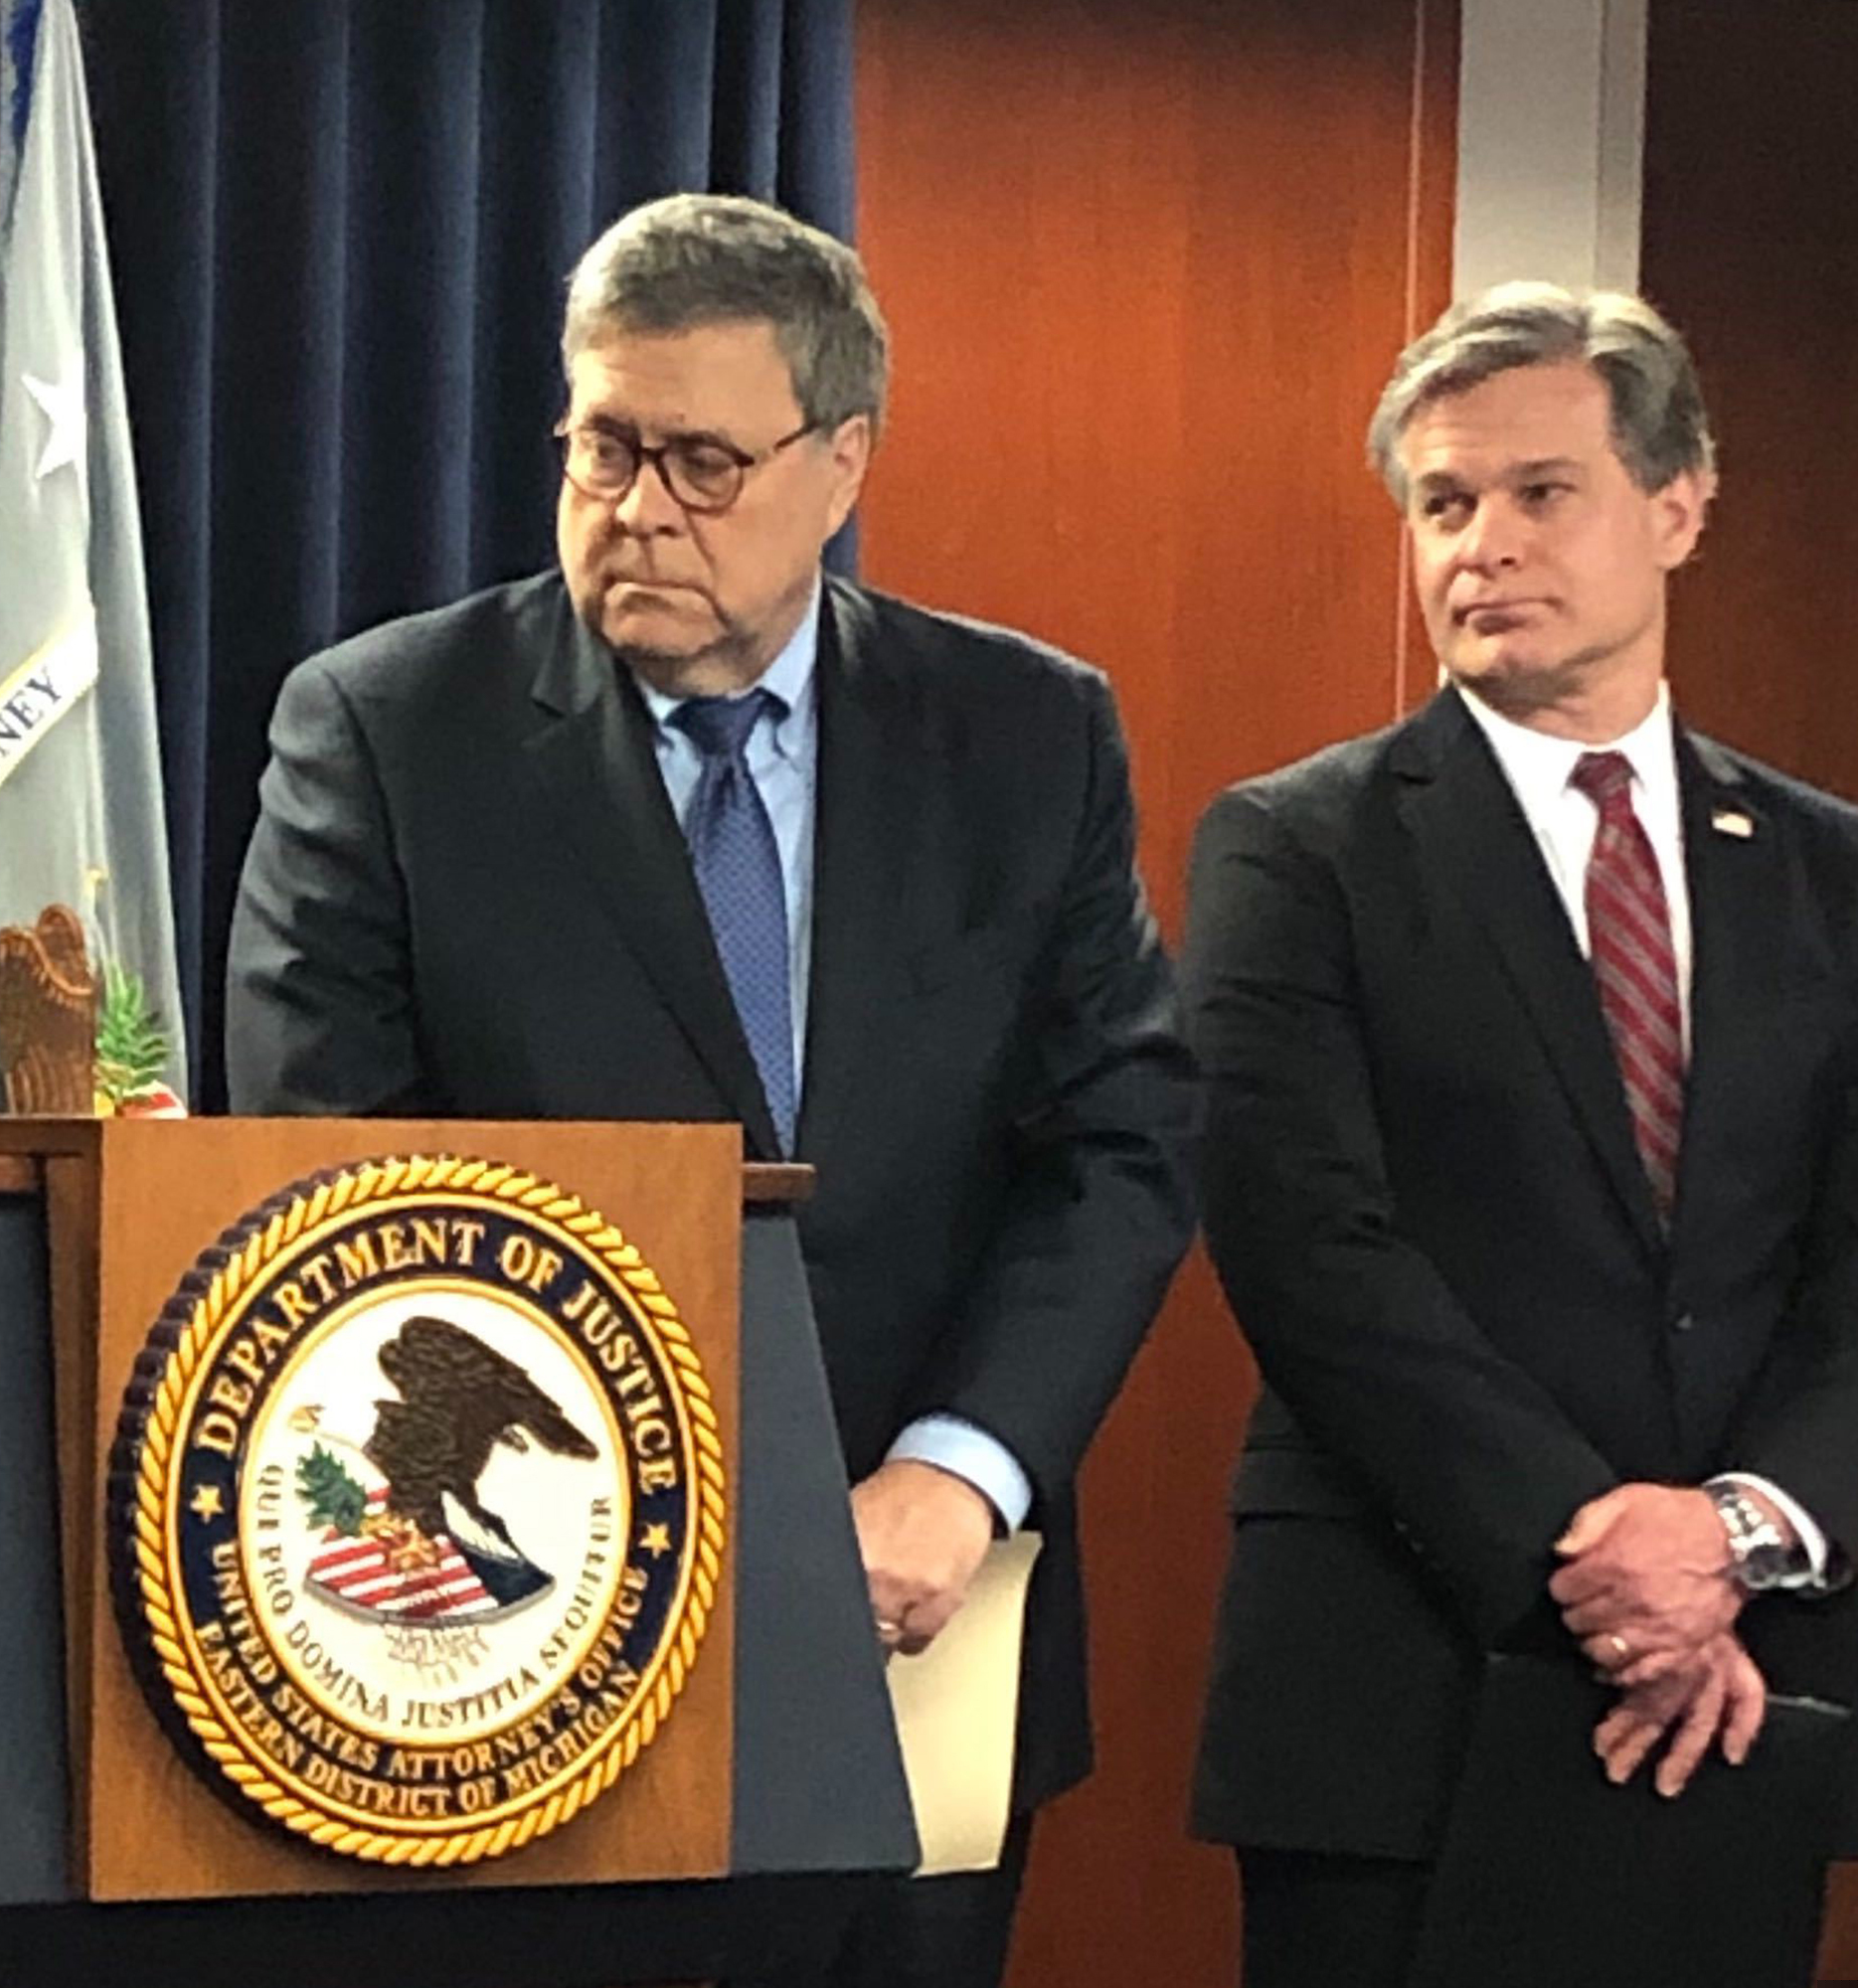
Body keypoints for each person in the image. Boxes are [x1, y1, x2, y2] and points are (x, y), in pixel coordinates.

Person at [226, 192, 1198, 1986]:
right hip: (526, 1643)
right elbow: (333, 1179)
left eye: (703, 463)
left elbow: (1122, 1144)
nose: (638, 510)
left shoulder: (1025, 733)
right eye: (603, 448)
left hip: (921, 1619)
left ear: (842, 465)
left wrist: (963, 1470)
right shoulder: (387, 730)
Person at [1182, 282, 1858, 1986]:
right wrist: (1607, 1560)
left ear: (1679, 506)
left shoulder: (1831, 868)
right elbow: (1309, 1253)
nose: (1484, 545)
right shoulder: (1296, 849)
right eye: (1444, 504)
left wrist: (1734, 1536)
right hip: (1399, 1685)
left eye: (1543, 492)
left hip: (1743, 1686)